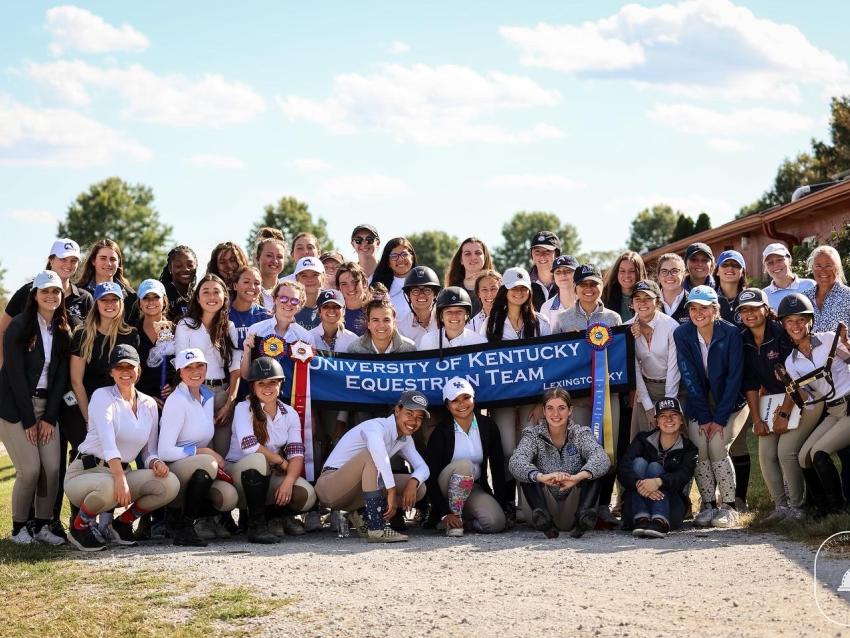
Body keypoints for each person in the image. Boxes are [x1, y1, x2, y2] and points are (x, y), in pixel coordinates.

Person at [63, 345, 180, 551]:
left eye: (130, 366)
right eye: (119, 367)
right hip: (86, 472)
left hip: (121, 474)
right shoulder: (102, 396)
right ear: (111, 372)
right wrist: (119, 479)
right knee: (108, 488)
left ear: (139, 370)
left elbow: (148, 451)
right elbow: (108, 443)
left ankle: (122, 523)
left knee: (169, 484)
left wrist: (156, 462)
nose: (125, 372)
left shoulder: (149, 404)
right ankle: (80, 526)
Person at [0, 271, 73, 545]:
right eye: (45, 291)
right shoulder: (19, 326)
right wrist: (30, 420)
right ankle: (20, 527)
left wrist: (49, 416)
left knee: (52, 469)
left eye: (56, 292)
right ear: (35, 295)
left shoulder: (64, 329)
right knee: (30, 469)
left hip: (47, 407)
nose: (51, 296)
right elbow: (15, 377)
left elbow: (61, 377)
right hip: (15, 408)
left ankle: (43, 525)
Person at [739, 289, 821, 522]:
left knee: (786, 451)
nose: (750, 313)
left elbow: (794, 378)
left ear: (766, 309)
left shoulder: (781, 334)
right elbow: (751, 384)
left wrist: (784, 413)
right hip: (772, 400)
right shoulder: (743, 338)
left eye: (755, 307)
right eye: (744, 309)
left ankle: (797, 508)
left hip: (805, 397)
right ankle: (781, 507)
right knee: (766, 453)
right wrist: (756, 420)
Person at [673, 285, 748, 528]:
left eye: (704, 307)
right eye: (693, 308)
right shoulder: (682, 334)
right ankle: (708, 505)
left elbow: (734, 378)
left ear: (715, 309)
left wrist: (719, 418)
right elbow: (689, 376)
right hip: (700, 402)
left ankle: (729, 506)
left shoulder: (731, 333)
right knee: (699, 447)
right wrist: (705, 418)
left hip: (731, 402)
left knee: (716, 445)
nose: (698, 312)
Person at [554, 263, 622, 525]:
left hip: (607, 395)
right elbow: (554, 361)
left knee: (608, 450)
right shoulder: (562, 320)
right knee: (579, 450)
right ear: (576, 287)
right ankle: (583, 506)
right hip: (577, 398)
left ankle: (603, 504)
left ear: (601, 286)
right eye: (583, 284)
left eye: (594, 284)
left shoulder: (614, 319)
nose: (589, 289)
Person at [481, 267, 551, 520]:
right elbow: (483, 363)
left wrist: (541, 402)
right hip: (503, 400)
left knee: (529, 449)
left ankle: (529, 506)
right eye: (514, 288)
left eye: (524, 288)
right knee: (508, 449)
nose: (519, 292)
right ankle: (508, 503)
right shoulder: (491, 323)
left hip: (533, 399)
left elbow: (549, 364)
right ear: (505, 291)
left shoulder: (542, 322)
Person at [316, 390, 430, 543]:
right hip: (330, 486)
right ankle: (376, 527)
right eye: (409, 414)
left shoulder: (405, 438)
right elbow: (379, 454)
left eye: (419, 418)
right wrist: (391, 491)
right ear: (397, 410)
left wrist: (414, 480)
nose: (413, 421)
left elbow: (423, 467)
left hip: (355, 491)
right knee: (371, 456)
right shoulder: (376, 426)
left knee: (419, 488)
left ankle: (361, 514)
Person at [226, 357, 318, 542]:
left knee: (305, 494)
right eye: (261, 383)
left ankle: (275, 517)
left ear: (280, 384)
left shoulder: (289, 413)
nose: (267, 388)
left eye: (272, 383)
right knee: (258, 459)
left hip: (271, 473)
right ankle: (256, 525)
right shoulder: (243, 408)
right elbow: (249, 446)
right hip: (238, 473)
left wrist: (289, 481)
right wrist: (281, 461)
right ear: (253, 386)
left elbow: (297, 453)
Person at [157, 348, 239, 546]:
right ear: (180, 372)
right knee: (208, 462)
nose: (195, 371)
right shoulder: (176, 401)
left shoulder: (207, 396)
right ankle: (183, 526)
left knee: (228, 497)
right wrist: (205, 452)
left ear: (207, 368)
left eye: (200, 366)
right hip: (174, 468)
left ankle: (190, 518)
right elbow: (164, 451)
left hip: (197, 467)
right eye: (188, 367)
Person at [780, 293, 850, 516]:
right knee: (803, 456)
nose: (796, 325)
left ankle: (837, 509)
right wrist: (792, 392)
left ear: (810, 321)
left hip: (849, 406)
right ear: (784, 325)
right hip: (833, 410)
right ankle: (820, 506)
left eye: (801, 319)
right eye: (790, 321)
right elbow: (809, 400)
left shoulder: (830, 338)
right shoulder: (790, 362)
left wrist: (847, 346)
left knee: (819, 452)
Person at [509, 388, 610, 538]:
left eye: (561, 408)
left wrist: (577, 477)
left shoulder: (581, 433)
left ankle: (583, 518)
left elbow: (602, 458)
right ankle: (543, 518)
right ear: (543, 411)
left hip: (573, 507)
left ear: (570, 411)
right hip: (543, 507)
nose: (555, 414)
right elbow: (516, 461)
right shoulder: (533, 434)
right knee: (528, 472)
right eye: (550, 408)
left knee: (594, 469)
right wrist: (541, 477)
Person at [424, 378, 507, 536]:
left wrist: (501, 504)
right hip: (445, 489)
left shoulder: (488, 426)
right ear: (447, 406)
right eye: (455, 400)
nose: (462, 404)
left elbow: (497, 467)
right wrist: (443, 512)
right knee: (465, 465)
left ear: (474, 398)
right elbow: (430, 477)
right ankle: (452, 520)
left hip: (473, 487)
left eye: (466, 398)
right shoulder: (441, 432)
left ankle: (463, 521)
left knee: (496, 523)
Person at [174, 274, 242, 456]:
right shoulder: (185, 325)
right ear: (197, 297)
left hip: (222, 396)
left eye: (216, 292)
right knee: (204, 454)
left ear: (224, 297)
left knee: (222, 452)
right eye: (206, 292)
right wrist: (195, 402)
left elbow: (236, 367)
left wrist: (230, 402)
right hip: (195, 396)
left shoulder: (229, 326)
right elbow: (181, 365)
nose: (211, 297)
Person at [0, 238, 92, 367]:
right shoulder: (28, 292)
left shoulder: (85, 298)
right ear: (51, 260)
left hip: (68, 381)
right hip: (27, 380)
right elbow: (2, 330)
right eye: (63, 259)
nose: (69, 264)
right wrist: (3, 367)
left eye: (74, 260)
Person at [618, 397, 698, 538]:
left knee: (655, 468)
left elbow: (683, 476)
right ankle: (642, 517)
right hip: (635, 507)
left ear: (681, 420)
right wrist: (640, 485)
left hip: (670, 508)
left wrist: (658, 482)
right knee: (639, 463)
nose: (669, 419)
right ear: (656, 422)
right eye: (663, 416)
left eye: (674, 415)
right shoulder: (642, 439)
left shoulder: (689, 448)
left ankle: (659, 520)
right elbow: (623, 469)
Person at [625, 280, 681, 437]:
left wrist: (669, 406)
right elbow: (635, 369)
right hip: (645, 389)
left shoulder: (671, 326)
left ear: (657, 301)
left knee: (673, 437)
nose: (642, 303)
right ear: (631, 303)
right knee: (646, 440)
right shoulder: (627, 328)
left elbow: (673, 368)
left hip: (672, 388)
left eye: (648, 298)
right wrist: (649, 407)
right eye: (638, 299)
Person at [241, 280, 314, 379]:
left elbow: (307, 378)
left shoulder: (306, 337)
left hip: (291, 393)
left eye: (294, 300)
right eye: (283, 298)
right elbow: (245, 375)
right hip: (262, 392)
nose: (289, 303)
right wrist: (247, 351)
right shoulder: (256, 330)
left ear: (300, 304)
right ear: (274, 299)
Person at [134, 279, 174, 406]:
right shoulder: (131, 333)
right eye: (146, 297)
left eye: (156, 297)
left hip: (173, 402)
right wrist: (144, 397)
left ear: (164, 301)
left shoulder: (177, 331)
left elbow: (185, 366)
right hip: (139, 402)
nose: (151, 302)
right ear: (139, 303)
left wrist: (175, 386)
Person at [76, 238, 138, 322]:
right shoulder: (78, 294)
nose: (108, 263)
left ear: (118, 262)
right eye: (103, 258)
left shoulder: (130, 296)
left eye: (113, 259)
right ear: (93, 261)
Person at [419, 287, 487, 351]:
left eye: (459, 311)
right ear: (441, 316)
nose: (454, 315)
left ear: (467, 315)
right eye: (449, 312)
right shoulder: (428, 340)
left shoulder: (479, 343)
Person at [804, 245, 850, 333]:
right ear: (812, 269)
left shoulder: (847, 296)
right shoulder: (804, 298)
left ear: (838, 268)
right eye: (818, 266)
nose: (823, 271)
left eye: (828, 266)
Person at [443, 237, 494, 316]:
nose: (473, 257)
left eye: (478, 253)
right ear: (461, 260)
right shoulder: (451, 292)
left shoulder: (497, 288)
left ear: (485, 257)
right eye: (468, 254)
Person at [347, 299, 417, 355]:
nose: (381, 325)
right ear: (368, 324)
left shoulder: (409, 348)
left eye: (386, 320)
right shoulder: (355, 349)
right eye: (375, 320)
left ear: (394, 323)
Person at [371, 237, 417, 321]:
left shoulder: (425, 282)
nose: (400, 259)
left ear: (412, 257)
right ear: (388, 262)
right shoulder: (379, 289)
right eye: (394, 256)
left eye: (404, 254)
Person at [228, 266, 272, 351]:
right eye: (246, 282)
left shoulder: (266, 316)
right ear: (235, 286)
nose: (252, 287)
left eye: (257, 283)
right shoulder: (223, 314)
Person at [761, 242, 815, 310]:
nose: (775, 265)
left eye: (780, 260)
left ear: (789, 260)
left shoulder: (810, 285)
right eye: (770, 263)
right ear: (765, 268)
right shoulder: (763, 295)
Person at [398, 266, 441, 346]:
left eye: (427, 290)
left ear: (435, 294)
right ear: (408, 295)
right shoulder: (400, 328)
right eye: (415, 290)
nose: (421, 295)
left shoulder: (444, 322)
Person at [602, 251, 647, 323]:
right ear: (617, 272)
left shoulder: (650, 297)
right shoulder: (605, 296)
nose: (627, 275)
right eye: (622, 271)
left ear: (639, 272)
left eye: (632, 271)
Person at [159, 245, 198, 321]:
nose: (185, 269)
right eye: (179, 266)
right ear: (170, 267)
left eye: (190, 265)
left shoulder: (198, 295)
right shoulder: (162, 294)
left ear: (196, 266)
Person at [539, 255, 578, 328]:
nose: (563, 275)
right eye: (558, 272)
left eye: (568, 271)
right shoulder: (546, 307)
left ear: (577, 274)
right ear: (554, 277)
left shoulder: (588, 302)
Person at [253, 229, 287, 311]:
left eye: (279, 257)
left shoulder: (289, 291)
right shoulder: (249, 289)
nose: (275, 261)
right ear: (258, 258)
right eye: (269, 255)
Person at [528, 230, 560, 310]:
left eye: (547, 251)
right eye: (537, 251)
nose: (542, 256)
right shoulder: (524, 284)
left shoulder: (567, 282)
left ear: (557, 254)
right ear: (532, 255)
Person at [336, 261, 370, 336]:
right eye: (344, 284)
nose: (350, 288)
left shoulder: (376, 311)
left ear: (364, 283)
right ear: (338, 288)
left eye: (354, 282)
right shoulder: (334, 314)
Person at [713, 250, 747, 324]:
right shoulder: (709, 298)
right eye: (725, 265)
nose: (730, 268)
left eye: (736, 265)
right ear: (717, 272)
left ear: (742, 273)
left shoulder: (750, 299)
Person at [293, 256, 326, 330]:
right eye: (304, 276)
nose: (310, 279)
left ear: (323, 278)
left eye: (315, 275)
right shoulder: (289, 306)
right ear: (297, 279)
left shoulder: (331, 305)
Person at [656, 253, 688, 324]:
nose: (669, 275)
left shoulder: (693, 302)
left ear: (683, 274)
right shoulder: (650, 304)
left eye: (675, 271)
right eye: (664, 271)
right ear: (658, 276)